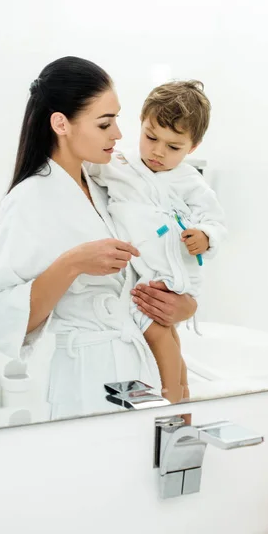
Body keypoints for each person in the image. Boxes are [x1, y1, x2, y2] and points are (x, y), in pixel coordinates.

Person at [0, 56, 197, 420]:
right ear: (61, 124)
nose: (118, 133)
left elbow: (157, 259)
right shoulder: (29, 199)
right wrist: (73, 263)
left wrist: (184, 307)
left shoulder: (104, 184)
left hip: (136, 362)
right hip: (86, 373)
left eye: (117, 118)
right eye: (104, 123)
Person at [87, 81, 227, 403]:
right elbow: (86, 163)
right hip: (146, 277)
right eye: (151, 138)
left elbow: (216, 222)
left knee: (172, 345)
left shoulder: (191, 182)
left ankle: (176, 403)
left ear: (193, 147)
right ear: (140, 124)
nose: (159, 152)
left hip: (177, 280)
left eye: (174, 146)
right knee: (166, 342)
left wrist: (206, 237)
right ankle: (176, 401)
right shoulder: (120, 166)